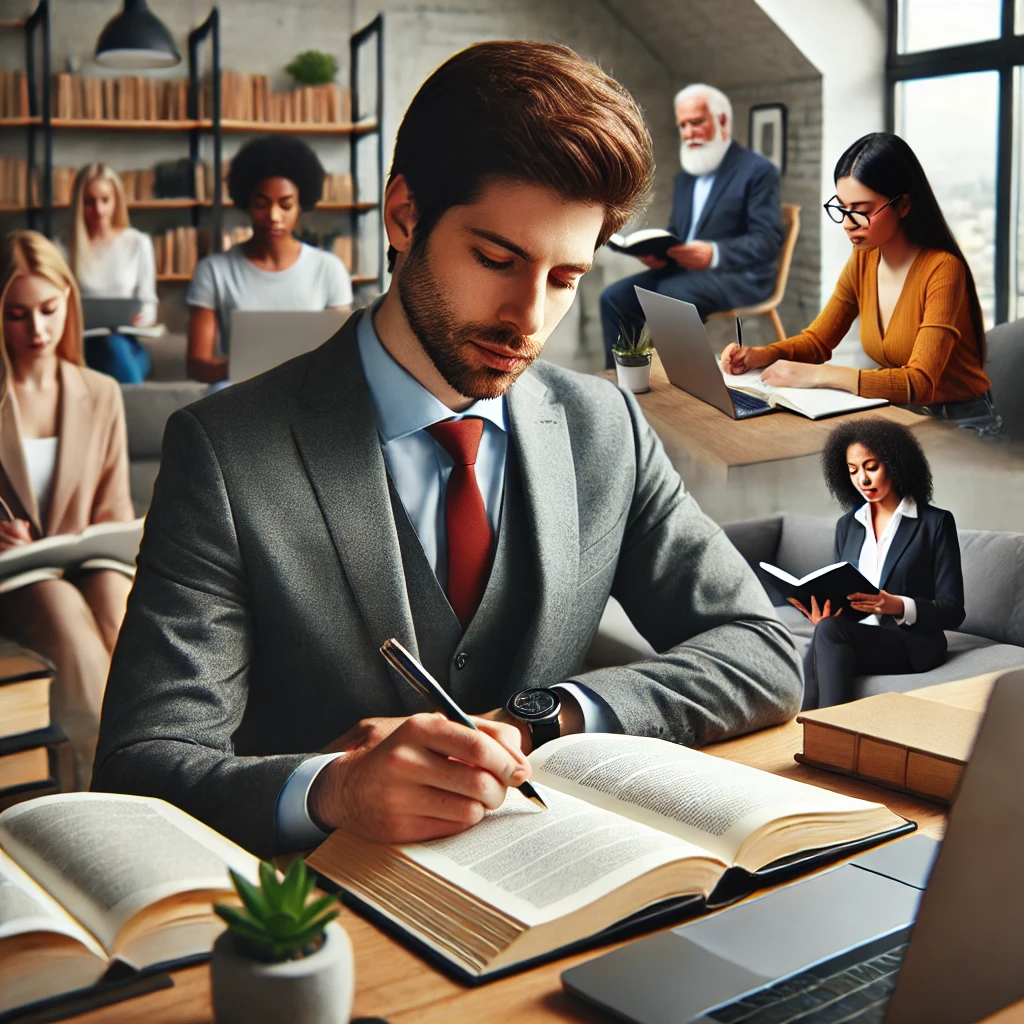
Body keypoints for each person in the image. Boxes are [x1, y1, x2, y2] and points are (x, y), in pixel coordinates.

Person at [93, 42, 802, 858]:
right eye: (496, 259)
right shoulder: (224, 452)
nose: (528, 318)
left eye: (565, 278)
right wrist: (332, 789)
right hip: (323, 919)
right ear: (404, 215)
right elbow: (140, 767)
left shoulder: (606, 428)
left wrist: (548, 716)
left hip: (560, 903)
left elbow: (762, 649)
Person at [722, 133, 1001, 433]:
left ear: (904, 204)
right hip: (903, 415)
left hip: (963, 426)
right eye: (842, 207)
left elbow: (920, 382)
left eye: (862, 210)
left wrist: (818, 376)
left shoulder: (943, 270)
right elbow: (817, 342)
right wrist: (762, 355)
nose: (847, 222)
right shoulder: (864, 259)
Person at [0, 231, 135, 787]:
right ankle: (109, 777)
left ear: (69, 305)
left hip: (84, 567)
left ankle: (165, 751)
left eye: (50, 311)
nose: (38, 330)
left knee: (113, 591)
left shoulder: (100, 392)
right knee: (57, 601)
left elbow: (116, 509)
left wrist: (104, 537)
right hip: (13, 580)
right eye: (17, 314)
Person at [600, 83, 782, 368]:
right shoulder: (687, 177)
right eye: (683, 125)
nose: (688, 134)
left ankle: (685, 384)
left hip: (739, 275)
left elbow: (767, 241)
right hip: (682, 271)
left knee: (672, 295)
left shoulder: (757, 172)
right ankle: (625, 384)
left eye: (695, 123)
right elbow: (678, 234)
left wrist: (714, 253)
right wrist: (658, 253)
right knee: (613, 298)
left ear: (721, 120)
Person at [796, 418, 964, 709]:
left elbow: (953, 610)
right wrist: (825, 614)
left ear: (896, 463)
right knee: (824, 633)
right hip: (856, 636)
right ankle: (810, 738)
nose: (862, 479)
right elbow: (841, 591)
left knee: (827, 638)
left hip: (912, 643)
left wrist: (895, 605)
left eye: (871, 467)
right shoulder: (848, 525)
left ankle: (828, 737)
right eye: (853, 470)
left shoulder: (935, 523)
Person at [186, 136, 353, 385]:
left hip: (307, 388)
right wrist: (238, 367)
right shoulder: (214, 270)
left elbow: (342, 356)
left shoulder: (328, 269)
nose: (274, 216)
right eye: (262, 204)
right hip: (241, 386)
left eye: (286, 206)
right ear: (247, 204)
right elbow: (197, 365)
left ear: (301, 207)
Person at [63, 163, 157, 384]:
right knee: (106, 349)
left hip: (128, 345)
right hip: (83, 346)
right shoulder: (64, 247)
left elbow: (150, 303)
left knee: (115, 346)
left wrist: (142, 319)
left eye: (105, 200)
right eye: (90, 202)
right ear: (79, 204)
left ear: (116, 201)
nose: (99, 210)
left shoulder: (137, 243)